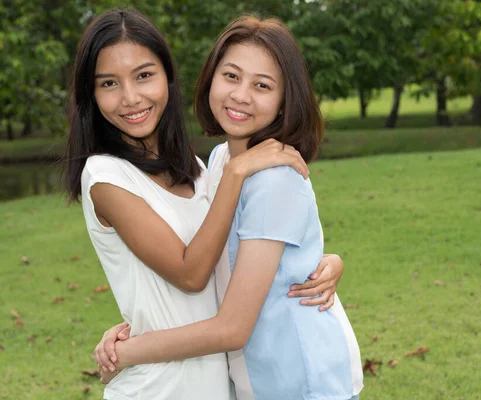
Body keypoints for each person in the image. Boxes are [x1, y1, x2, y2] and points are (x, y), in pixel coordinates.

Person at [64, 9, 345, 400]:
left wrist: (324, 262)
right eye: (109, 83)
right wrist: (130, 344)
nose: (130, 98)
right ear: (91, 95)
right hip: (162, 388)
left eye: (144, 75)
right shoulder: (107, 176)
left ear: (168, 78)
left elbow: (232, 256)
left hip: (225, 384)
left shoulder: (200, 169)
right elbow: (192, 273)